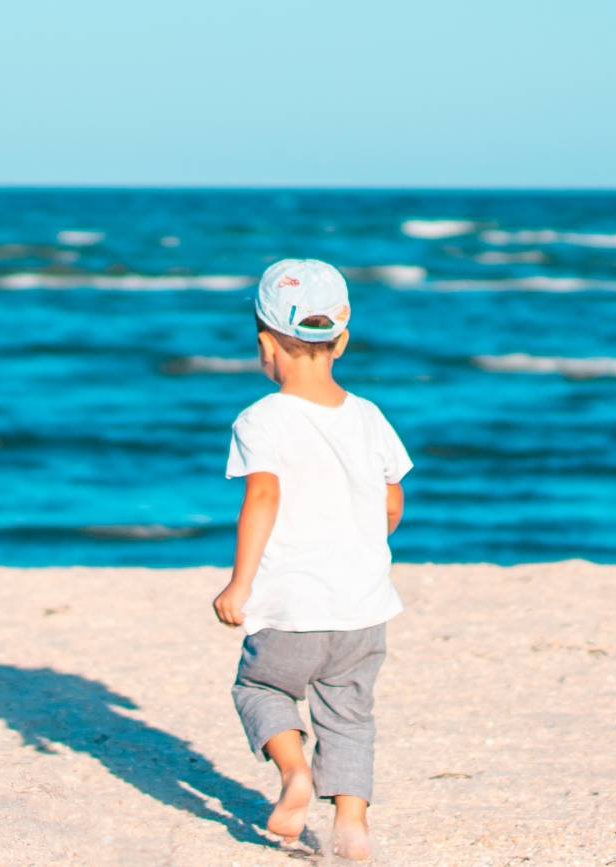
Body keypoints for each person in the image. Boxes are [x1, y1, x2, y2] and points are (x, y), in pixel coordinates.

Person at [212, 259, 412, 860]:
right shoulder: (369, 416)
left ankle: (295, 773)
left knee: (260, 687)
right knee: (348, 713)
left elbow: (263, 497)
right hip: (362, 606)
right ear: (341, 341)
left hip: (292, 606)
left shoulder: (261, 419)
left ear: (264, 344)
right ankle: (351, 824)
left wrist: (239, 584)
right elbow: (392, 502)